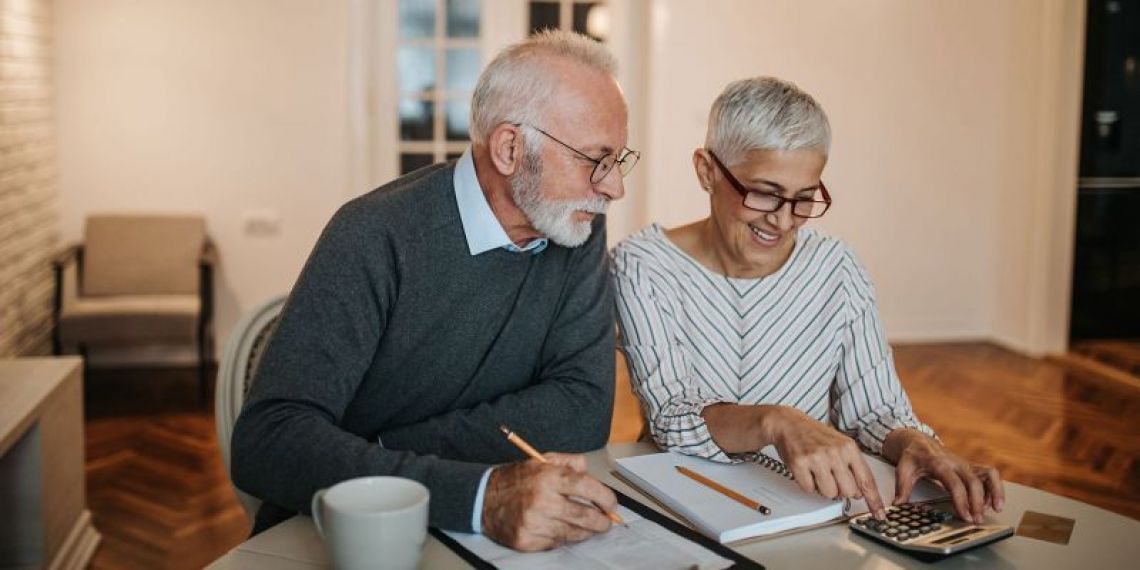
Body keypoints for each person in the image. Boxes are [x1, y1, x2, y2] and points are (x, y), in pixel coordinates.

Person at [231, 30, 640, 552]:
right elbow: (268, 441)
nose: (614, 188)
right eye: (595, 159)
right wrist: (477, 493)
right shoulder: (373, 235)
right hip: (346, 537)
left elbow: (581, 411)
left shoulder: (575, 227)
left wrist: (382, 450)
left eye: (620, 160)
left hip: (479, 529)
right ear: (510, 148)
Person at [611, 77, 1002, 524]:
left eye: (803, 199)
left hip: (810, 506)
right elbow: (671, 416)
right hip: (685, 501)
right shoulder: (643, 265)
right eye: (764, 193)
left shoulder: (837, 267)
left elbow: (875, 410)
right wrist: (777, 422)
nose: (782, 221)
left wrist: (916, 442)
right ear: (707, 171)